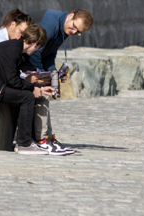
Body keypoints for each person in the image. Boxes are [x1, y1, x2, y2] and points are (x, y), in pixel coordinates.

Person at [0, 24, 55, 155]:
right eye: (38, 47)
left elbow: (23, 72)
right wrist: (32, 89)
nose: (37, 50)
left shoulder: (18, 49)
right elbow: (12, 80)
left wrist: (40, 85)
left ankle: (21, 141)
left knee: (21, 97)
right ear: (35, 44)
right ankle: (24, 144)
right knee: (27, 97)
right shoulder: (11, 50)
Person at [26, 9, 93, 153]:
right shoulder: (51, 26)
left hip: (37, 63)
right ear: (70, 16)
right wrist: (41, 76)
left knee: (47, 94)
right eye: (74, 27)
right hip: (27, 64)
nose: (74, 32)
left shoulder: (65, 28)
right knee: (42, 96)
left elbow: (50, 54)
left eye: (78, 32)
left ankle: (47, 137)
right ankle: (42, 139)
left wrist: (53, 76)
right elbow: (36, 51)